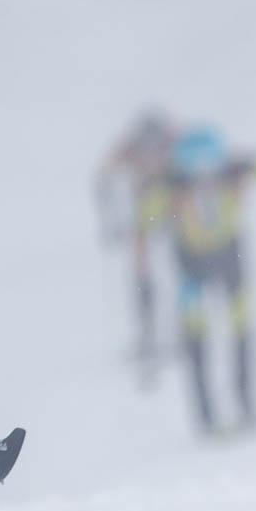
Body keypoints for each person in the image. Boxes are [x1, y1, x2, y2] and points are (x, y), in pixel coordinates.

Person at [138, 126, 256, 434]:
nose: (203, 179)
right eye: (195, 174)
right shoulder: (169, 184)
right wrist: (142, 269)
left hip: (230, 257)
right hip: (191, 267)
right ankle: (208, 418)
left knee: (241, 328)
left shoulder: (234, 168)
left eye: (209, 171)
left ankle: (248, 405)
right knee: (197, 337)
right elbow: (142, 224)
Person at [95, 110, 180, 376]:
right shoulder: (130, 148)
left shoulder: (172, 141)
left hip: (171, 210)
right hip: (146, 212)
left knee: (176, 268)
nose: (151, 156)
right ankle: (149, 332)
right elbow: (104, 177)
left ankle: (179, 328)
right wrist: (110, 218)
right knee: (143, 272)